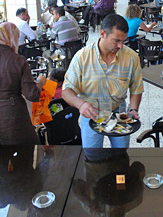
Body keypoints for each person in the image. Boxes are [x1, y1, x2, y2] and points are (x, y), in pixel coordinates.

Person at [62, 14, 144, 148]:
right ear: (102, 34)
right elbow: (66, 91)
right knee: (92, 156)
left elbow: (136, 88)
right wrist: (81, 105)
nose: (121, 46)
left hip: (119, 112)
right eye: (116, 41)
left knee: (120, 155)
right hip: (91, 114)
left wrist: (133, 109)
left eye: (124, 41)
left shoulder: (132, 58)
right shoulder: (82, 57)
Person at [0, 22, 46, 145]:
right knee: (23, 157)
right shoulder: (17, 60)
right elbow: (32, 94)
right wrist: (40, 82)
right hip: (13, 118)